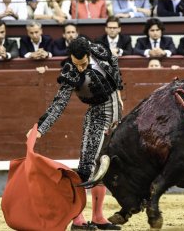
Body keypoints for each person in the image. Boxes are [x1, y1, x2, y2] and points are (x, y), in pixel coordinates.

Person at [26, 37, 123, 231]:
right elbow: (59, 104)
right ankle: (77, 219)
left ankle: (98, 217)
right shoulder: (70, 71)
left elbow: (115, 70)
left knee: (103, 167)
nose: (80, 68)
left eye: (84, 63)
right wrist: (41, 128)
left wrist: (119, 96)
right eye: (76, 64)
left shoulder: (100, 51)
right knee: (86, 169)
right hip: (97, 117)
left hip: (115, 117)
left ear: (90, 54)